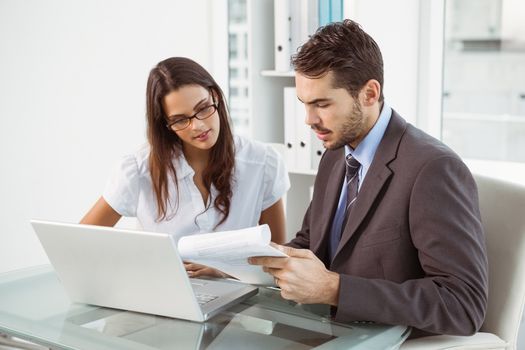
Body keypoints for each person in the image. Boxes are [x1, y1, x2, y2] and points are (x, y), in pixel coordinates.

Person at [249, 19, 488, 337]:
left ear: (370, 93)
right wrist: (245, 264)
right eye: (305, 105)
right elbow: (312, 244)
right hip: (323, 330)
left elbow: (462, 304)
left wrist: (335, 289)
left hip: (384, 340)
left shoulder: (432, 169)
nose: (309, 120)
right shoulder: (335, 153)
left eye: (322, 104)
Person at [81, 57, 290, 277]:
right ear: (166, 125)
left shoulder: (262, 162)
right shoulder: (137, 170)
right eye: (180, 120)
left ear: (215, 96)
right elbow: (79, 243)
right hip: (164, 297)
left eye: (203, 108)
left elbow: (277, 265)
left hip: (241, 300)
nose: (198, 126)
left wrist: (224, 272)